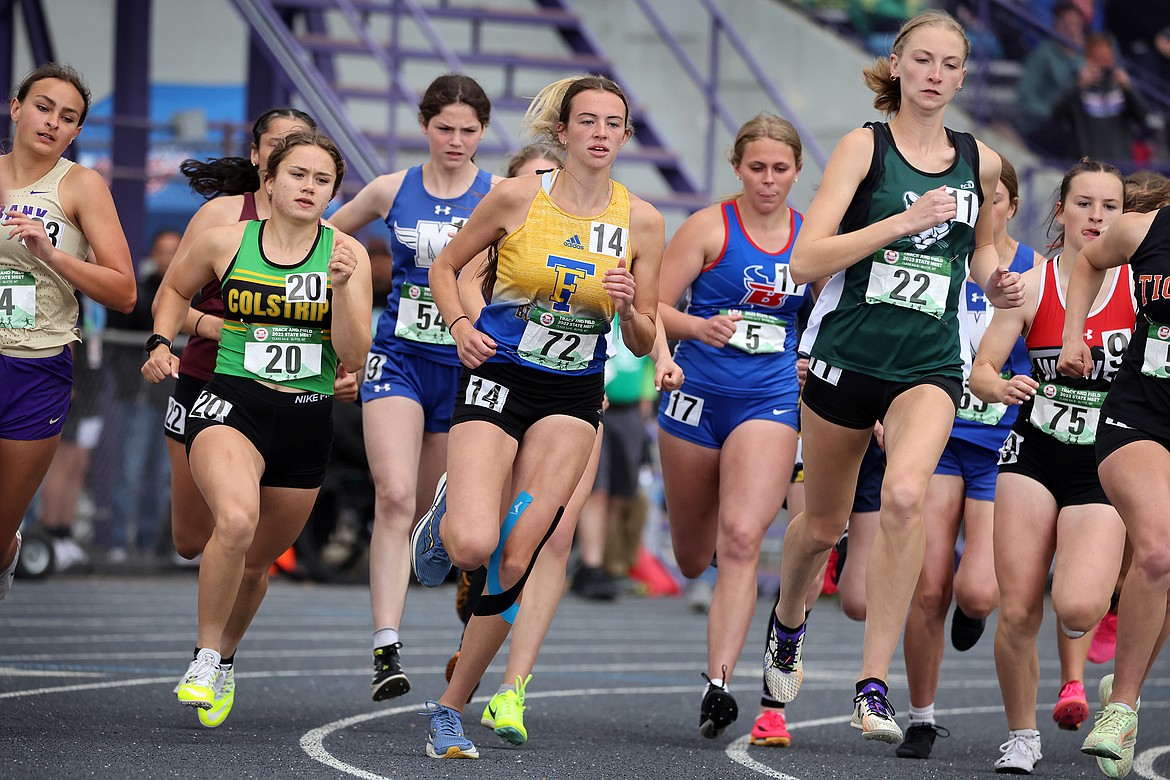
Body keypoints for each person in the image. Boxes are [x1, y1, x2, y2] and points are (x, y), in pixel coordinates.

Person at [761, 9, 1024, 744]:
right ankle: (787, 623)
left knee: (908, 493)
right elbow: (806, 261)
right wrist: (900, 224)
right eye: (925, 61)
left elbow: (982, 256)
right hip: (848, 359)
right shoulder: (862, 148)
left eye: (951, 64)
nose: (937, 76)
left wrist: (998, 284)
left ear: (963, 75)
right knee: (822, 527)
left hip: (930, 365)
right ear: (898, 67)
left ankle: (872, 686)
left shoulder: (983, 161)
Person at [410, 73, 664, 760]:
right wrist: (461, 323)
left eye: (615, 123)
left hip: (572, 394)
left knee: (516, 552)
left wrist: (633, 303)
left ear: (625, 135)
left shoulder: (641, 221)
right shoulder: (519, 196)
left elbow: (641, 336)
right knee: (471, 546)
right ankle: (446, 517)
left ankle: (449, 707)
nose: (602, 134)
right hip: (499, 375)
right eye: (589, 121)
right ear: (563, 131)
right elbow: (446, 267)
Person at [142, 130, 371, 729]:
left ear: (332, 193)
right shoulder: (225, 241)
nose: (309, 188)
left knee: (254, 565)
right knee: (235, 521)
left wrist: (344, 291)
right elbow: (171, 289)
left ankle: (226, 656)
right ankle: (205, 653)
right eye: (297, 175)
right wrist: (162, 341)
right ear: (268, 180)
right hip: (230, 400)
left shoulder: (348, 254)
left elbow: (353, 355)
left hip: (306, 416)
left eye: (322, 180)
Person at [327, 73, 498, 702]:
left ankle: (462, 566)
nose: (455, 140)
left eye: (468, 130)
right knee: (394, 497)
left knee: (438, 518)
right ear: (424, 126)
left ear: (483, 133)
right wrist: (341, 291)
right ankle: (386, 647)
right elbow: (322, 239)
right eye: (444, 128)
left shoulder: (503, 196)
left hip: (466, 368)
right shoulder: (390, 189)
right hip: (397, 359)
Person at [654, 112, 811, 743]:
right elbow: (653, 308)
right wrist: (698, 327)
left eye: (780, 169)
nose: (768, 180)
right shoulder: (708, 228)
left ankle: (720, 684)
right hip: (695, 399)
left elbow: (827, 310)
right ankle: (717, 561)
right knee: (695, 558)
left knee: (744, 537)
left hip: (768, 400)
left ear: (797, 171)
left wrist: (810, 355)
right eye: (757, 168)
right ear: (737, 167)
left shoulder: (810, 238)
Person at [970, 158, 1130, 774]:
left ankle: (1116, 613)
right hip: (1032, 454)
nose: (1096, 217)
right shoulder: (1032, 283)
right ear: (1060, 211)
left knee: (1077, 607)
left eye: (1109, 207)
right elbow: (981, 371)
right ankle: (1022, 735)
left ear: (1125, 217)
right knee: (1016, 608)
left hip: (1103, 463)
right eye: (1084, 204)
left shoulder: (1140, 289)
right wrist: (1000, 387)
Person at [895, 151, 1040, 760]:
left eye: (998, 199)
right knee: (929, 588)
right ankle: (922, 717)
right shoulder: (944, 259)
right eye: (979, 200)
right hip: (940, 434)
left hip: (1001, 441)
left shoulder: (1036, 271)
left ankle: (973, 612)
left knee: (978, 593)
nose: (989, 209)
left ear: (1011, 204)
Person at [0, 62, 136, 602]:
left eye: (68, 116)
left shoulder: (80, 185)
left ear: (77, 131)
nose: (52, 121)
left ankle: (7, 555)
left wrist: (52, 254)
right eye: (42, 106)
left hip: (36, 367)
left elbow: (124, 291)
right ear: (15, 108)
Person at [164, 108, 322, 570]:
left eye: (300, 144)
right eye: (277, 143)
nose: (288, 153)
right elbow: (170, 300)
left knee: (249, 543)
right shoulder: (221, 215)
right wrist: (212, 326)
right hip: (207, 379)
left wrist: (344, 370)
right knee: (190, 538)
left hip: (282, 393)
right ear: (256, 155)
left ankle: (219, 640)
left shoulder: (326, 231)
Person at [1059, 172, 1170, 780]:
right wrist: (1073, 335)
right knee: (1157, 550)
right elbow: (1085, 264)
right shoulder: (1143, 228)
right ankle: (1122, 709)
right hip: (1138, 417)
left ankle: (1124, 689)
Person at [105, 228, 182, 561]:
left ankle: (152, 543)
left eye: (174, 251)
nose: (168, 257)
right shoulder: (141, 292)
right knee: (129, 470)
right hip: (138, 396)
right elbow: (118, 329)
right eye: (163, 251)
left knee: (164, 475)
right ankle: (120, 541)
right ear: (154, 254)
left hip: (174, 401)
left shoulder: (190, 293)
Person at [1054, 32, 1154, 166]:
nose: (1104, 61)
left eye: (1107, 55)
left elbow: (1145, 116)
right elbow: (1057, 114)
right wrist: (1078, 86)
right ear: (1088, 56)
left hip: (1119, 165)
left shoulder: (1121, 83)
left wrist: (1129, 89)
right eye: (1098, 56)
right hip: (1086, 164)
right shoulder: (1075, 80)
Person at [1014, 1, 1087, 157]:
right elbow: (1026, 97)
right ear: (1056, 25)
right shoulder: (1043, 55)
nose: (1072, 29)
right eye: (1067, 23)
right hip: (1044, 126)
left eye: (1076, 24)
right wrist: (1053, 114)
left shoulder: (1085, 58)